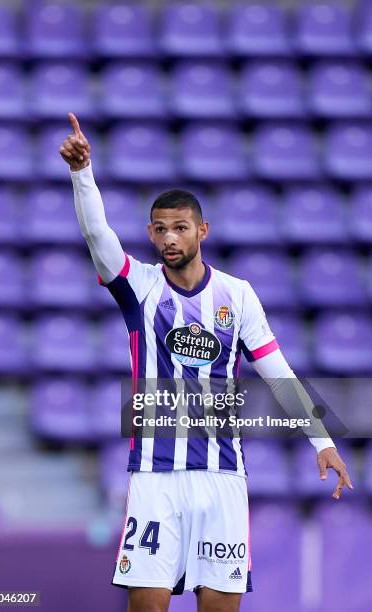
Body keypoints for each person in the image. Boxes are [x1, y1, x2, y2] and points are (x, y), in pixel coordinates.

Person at [60, 113, 353, 612]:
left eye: (180, 227)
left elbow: (277, 371)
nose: (170, 238)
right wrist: (82, 173)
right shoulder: (140, 287)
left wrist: (322, 441)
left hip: (222, 479)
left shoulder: (237, 296)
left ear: (203, 231)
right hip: (155, 477)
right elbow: (97, 236)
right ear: (151, 236)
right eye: (160, 229)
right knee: (147, 604)